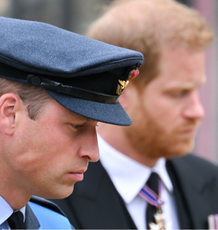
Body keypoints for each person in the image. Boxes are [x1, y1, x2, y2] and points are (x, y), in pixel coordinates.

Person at [51, 0, 218, 229]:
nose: (197, 111)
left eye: (197, 89)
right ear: (122, 92)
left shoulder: (209, 181)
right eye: (178, 93)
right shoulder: (52, 197)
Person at [0, 14, 143, 229]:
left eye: (95, 127)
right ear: (10, 114)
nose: (94, 153)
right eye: (77, 126)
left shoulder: (55, 224)